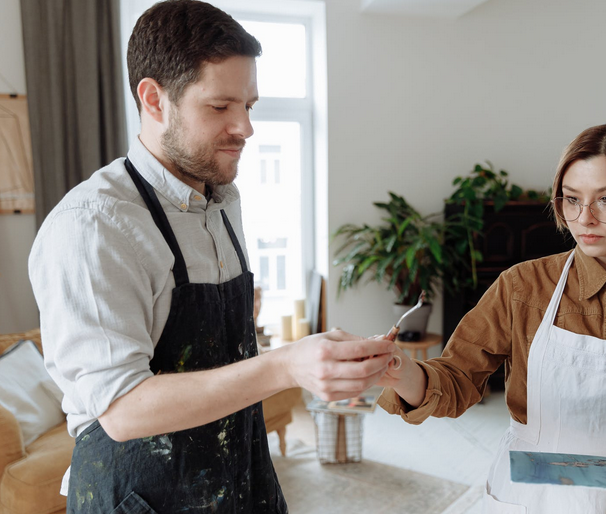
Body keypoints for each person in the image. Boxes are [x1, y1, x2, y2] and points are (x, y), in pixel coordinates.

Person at [28, 1, 396, 512]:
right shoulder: (93, 225)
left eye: (250, 105)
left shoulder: (222, 200)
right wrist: (287, 365)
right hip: (141, 498)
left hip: (243, 483)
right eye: (221, 107)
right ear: (154, 99)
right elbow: (121, 409)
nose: (245, 127)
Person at [377, 123, 606, 513]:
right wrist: (400, 371)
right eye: (572, 199)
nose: (584, 218)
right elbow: (456, 378)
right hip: (530, 498)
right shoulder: (522, 288)